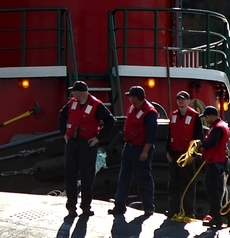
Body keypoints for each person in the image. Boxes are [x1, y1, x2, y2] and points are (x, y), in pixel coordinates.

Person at [58, 80, 115, 217]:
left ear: (80, 92)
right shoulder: (72, 103)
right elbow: (62, 115)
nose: (72, 93)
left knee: (87, 176)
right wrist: (64, 133)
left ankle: (86, 206)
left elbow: (110, 120)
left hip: (87, 145)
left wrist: (98, 137)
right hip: (72, 143)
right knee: (70, 174)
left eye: (74, 91)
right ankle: (71, 206)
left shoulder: (96, 105)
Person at [109, 85, 159, 216]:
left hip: (140, 148)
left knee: (144, 178)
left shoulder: (150, 112)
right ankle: (119, 205)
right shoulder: (132, 108)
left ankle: (148, 206)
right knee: (123, 177)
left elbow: (151, 134)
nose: (129, 99)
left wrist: (145, 151)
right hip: (129, 147)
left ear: (135, 98)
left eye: (130, 96)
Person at [166, 90, 203, 217]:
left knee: (187, 183)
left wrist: (193, 155)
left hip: (187, 154)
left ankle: (189, 211)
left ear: (188, 101)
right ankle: (173, 210)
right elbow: (169, 134)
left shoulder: (195, 116)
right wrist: (167, 151)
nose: (181, 101)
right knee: (173, 183)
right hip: (174, 153)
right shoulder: (173, 115)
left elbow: (199, 138)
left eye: (183, 99)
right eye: (179, 99)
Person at [199, 106, 230, 229]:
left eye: (207, 117)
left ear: (212, 116)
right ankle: (227, 218)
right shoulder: (222, 126)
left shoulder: (217, 128)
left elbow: (213, 142)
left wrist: (201, 144)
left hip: (215, 162)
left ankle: (217, 218)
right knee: (220, 191)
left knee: (213, 191)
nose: (206, 120)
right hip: (219, 161)